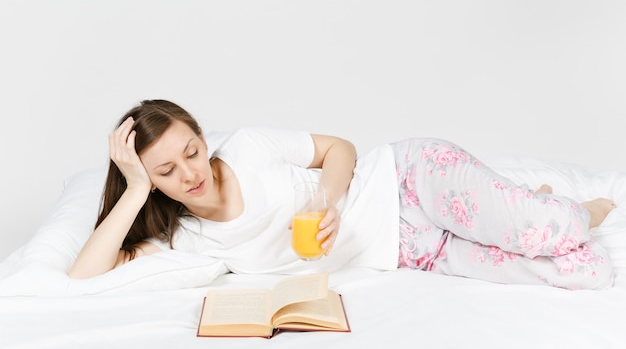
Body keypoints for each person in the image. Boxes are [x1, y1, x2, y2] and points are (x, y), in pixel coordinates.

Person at [69, 99, 617, 290]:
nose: (190, 173)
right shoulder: (185, 238)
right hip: (412, 250)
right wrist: (135, 185)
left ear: (202, 138)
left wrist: (327, 202)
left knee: (554, 230)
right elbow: (83, 275)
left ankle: (573, 208)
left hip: (406, 179)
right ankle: (527, 201)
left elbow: (340, 147)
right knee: (585, 271)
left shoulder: (250, 149)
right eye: (165, 170)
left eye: (192, 150)